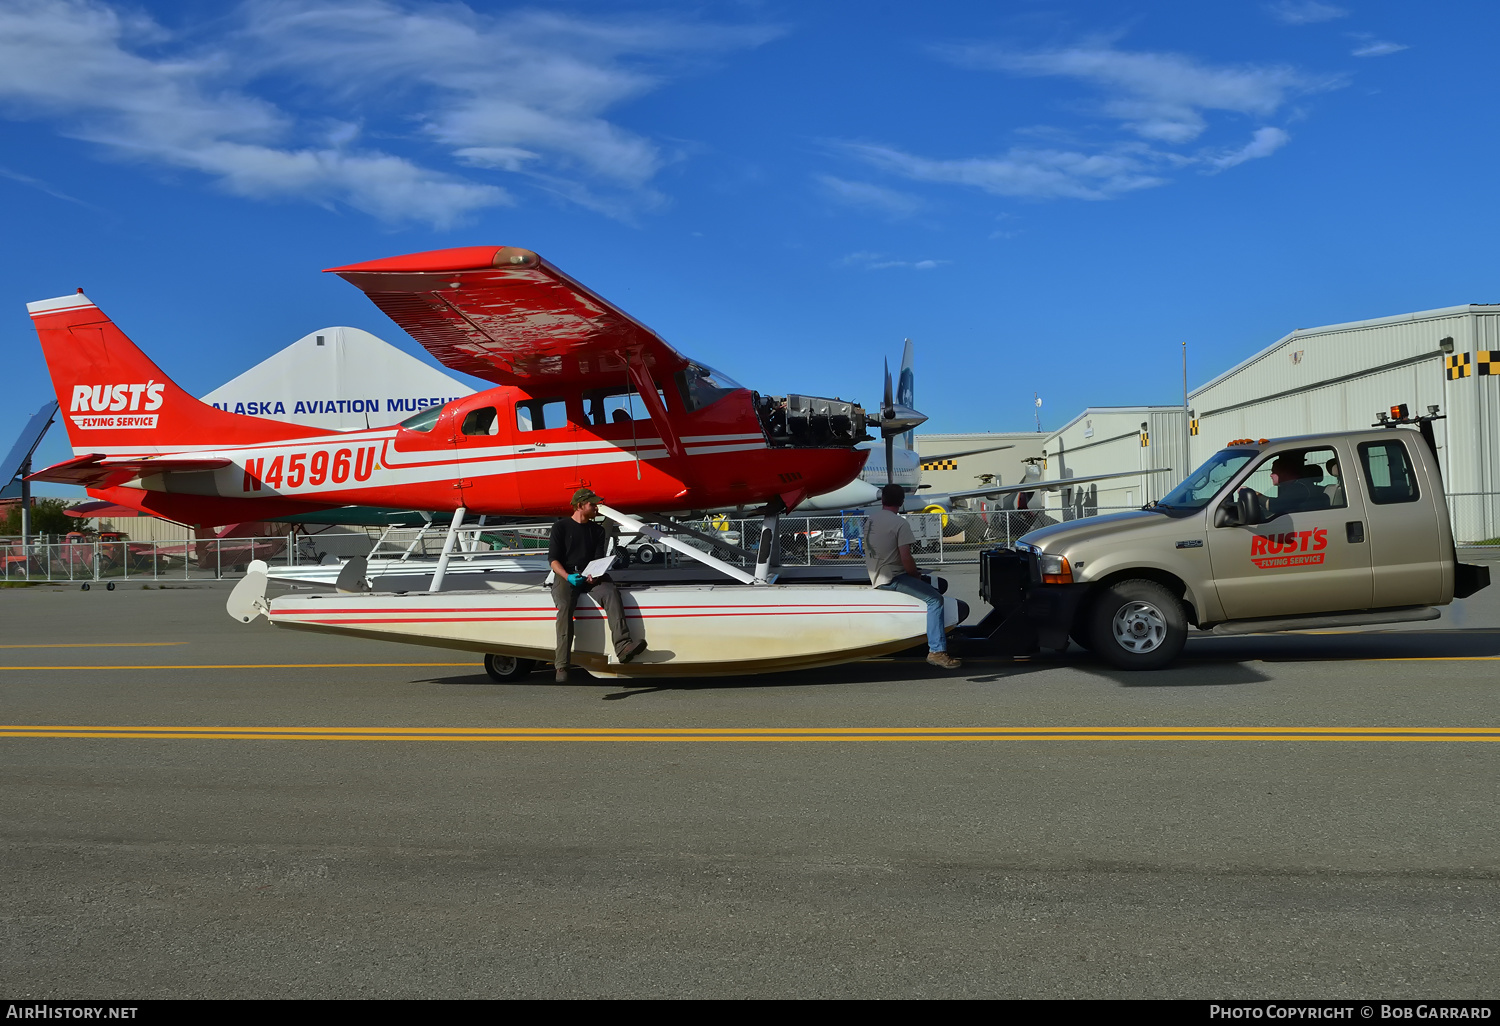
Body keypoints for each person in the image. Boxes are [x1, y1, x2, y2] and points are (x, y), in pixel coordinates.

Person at [548, 487, 646, 682]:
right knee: (565, 607)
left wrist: (594, 574)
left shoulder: (598, 530)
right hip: (566, 575)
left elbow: (597, 558)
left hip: (590, 574)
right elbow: (553, 560)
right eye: (593, 504)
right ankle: (562, 666)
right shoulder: (560, 528)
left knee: (611, 592)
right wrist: (568, 577)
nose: (597, 508)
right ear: (579, 506)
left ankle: (623, 646)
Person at [864, 483, 961, 669]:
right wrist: (915, 575)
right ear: (901, 501)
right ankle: (937, 650)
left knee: (930, 587)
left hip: (876, 574)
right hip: (892, 578)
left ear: (882, 499)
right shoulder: (899, 523)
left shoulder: (871, 519)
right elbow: (906, 557)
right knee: (935, 600)